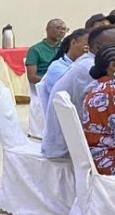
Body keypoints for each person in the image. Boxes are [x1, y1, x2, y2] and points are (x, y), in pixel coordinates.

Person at [42, 26, 115, 158]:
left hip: (73, 143)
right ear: (98, 48)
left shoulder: (88, 63)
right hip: (70, 149)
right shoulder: (90, 68)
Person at [82, 46, 115, 175]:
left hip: (97, 155)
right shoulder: (112, 90)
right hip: (108, 157)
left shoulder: (97, 87)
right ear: (113, 66)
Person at [39, 29, 89, 104]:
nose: (90, 49)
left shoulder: (88, 64)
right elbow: (69, 95)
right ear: (74, 42)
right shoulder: (57, 67)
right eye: (88, 45)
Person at [25, 19, 67, 84]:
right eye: (58, 28)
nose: (61, 31)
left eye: (64, 29)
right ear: (48, 29)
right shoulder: (35, 49)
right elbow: (31, 77)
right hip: (45, 85)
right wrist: (53, 81)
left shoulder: (67, 47)